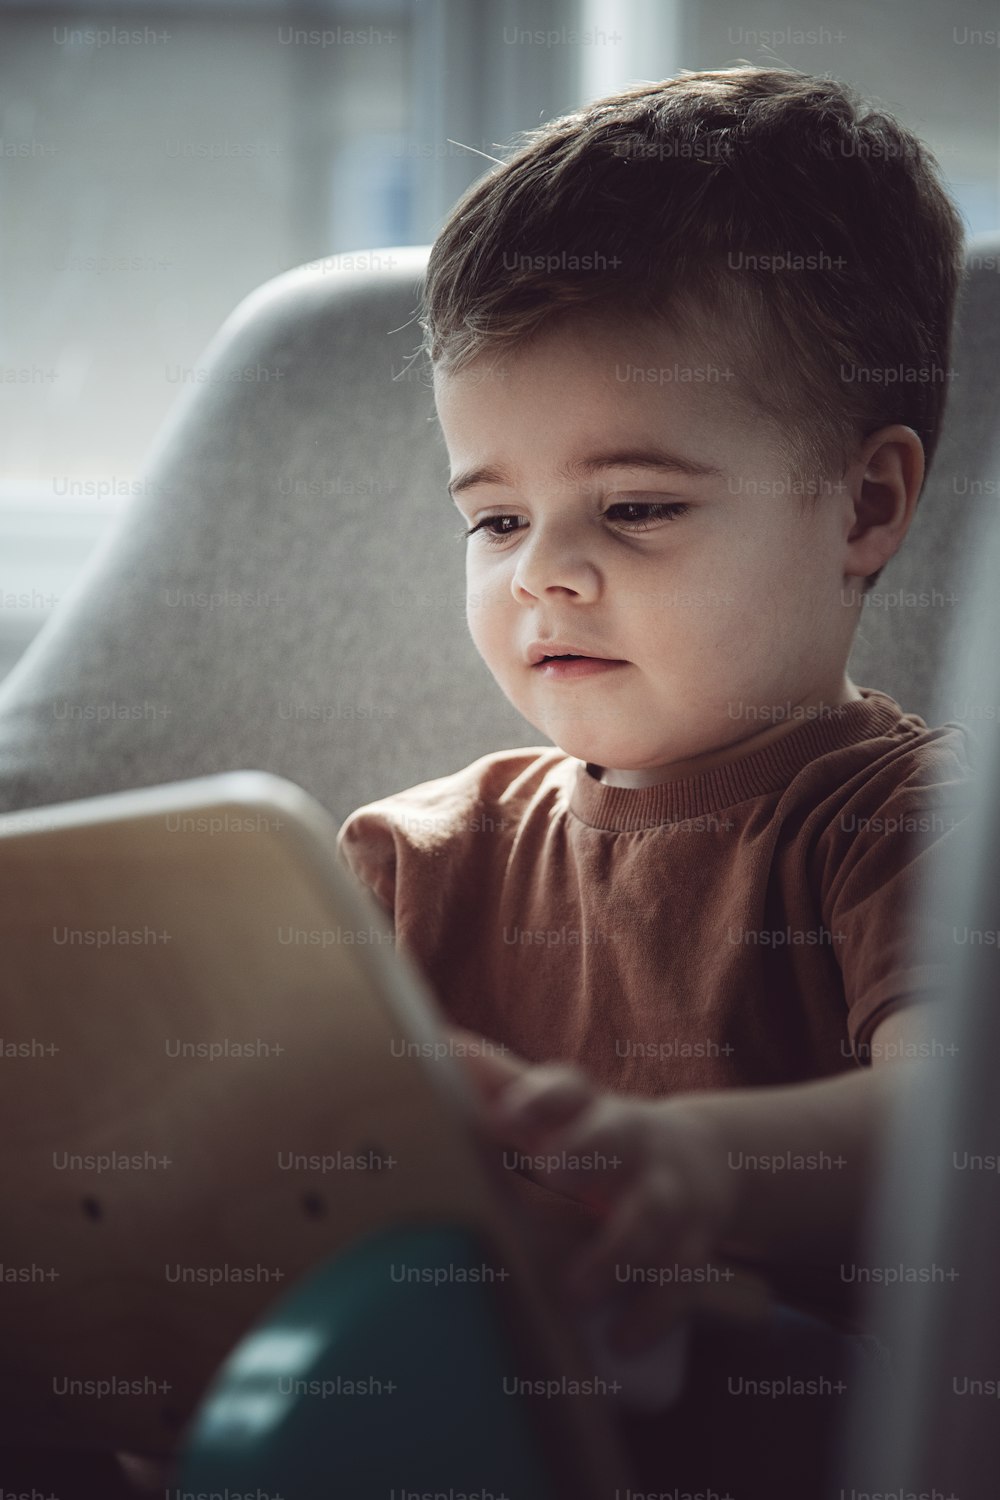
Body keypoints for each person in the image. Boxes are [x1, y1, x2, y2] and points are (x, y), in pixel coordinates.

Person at [335, 64, 977, 1495]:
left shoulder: (907, 828)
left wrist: (698, 1167)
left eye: (635, 507)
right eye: (494, 517)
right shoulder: (410, 859)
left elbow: (961, 1126)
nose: (542, 572)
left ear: (864, 504)